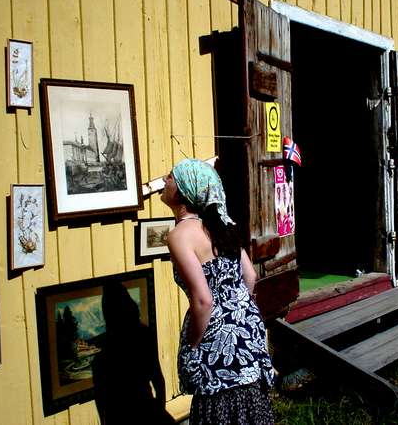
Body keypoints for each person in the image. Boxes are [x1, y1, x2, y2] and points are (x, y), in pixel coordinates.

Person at [161, 158, 275, 425]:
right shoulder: (220, 227)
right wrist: (235, 310)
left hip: (216, 339)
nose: (165, 180)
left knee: (218, 409)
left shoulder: (180, 235)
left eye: (171, 177)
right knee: (249, 405)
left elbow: (203, 300)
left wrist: (192, 345)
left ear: (183, 191)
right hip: (247, 329)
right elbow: (250, 276)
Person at [91, 281, 174, 425]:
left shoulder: (104, 348)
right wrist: (159, 411)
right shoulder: (144, 334)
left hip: (120, 415)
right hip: (147, 409)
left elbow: (101, 397)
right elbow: (158, 381)